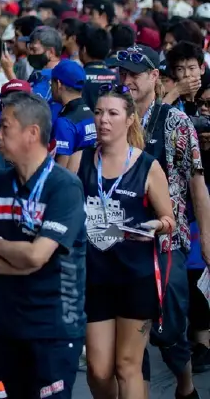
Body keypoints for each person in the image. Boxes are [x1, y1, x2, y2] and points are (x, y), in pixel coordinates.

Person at [0, 91, 88, 399]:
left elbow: (38, 254)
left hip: (56, 328)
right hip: (9, 324)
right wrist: (19, 259)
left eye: (5, 127)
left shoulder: (65, 186)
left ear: (32, 133)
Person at [115, 44, 210, 397]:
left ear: (155, 77)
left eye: (135, 75)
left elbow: (196, 185)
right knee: (127, 337)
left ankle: (185, 386)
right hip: (120, 241)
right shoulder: (113, 116)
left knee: (170, 332)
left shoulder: (176, 123)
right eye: (122, 73)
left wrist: (208, 240)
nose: (127, 81)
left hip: (166, 243)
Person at [81, 83, 175, 398]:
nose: (103, 120)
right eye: (98, 112)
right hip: (95, 278)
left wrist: (156, 225)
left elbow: (169, 219)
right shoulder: (82, 161)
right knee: (97, 369)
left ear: (129, 119)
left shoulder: (148, 166)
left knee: (127, 365)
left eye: (112, 113)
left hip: (136, 278)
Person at [51, 60, 96, 171]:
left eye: (51, 83)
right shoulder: (91, 114)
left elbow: (61, 172)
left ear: (58, 84)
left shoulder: (65, 122)